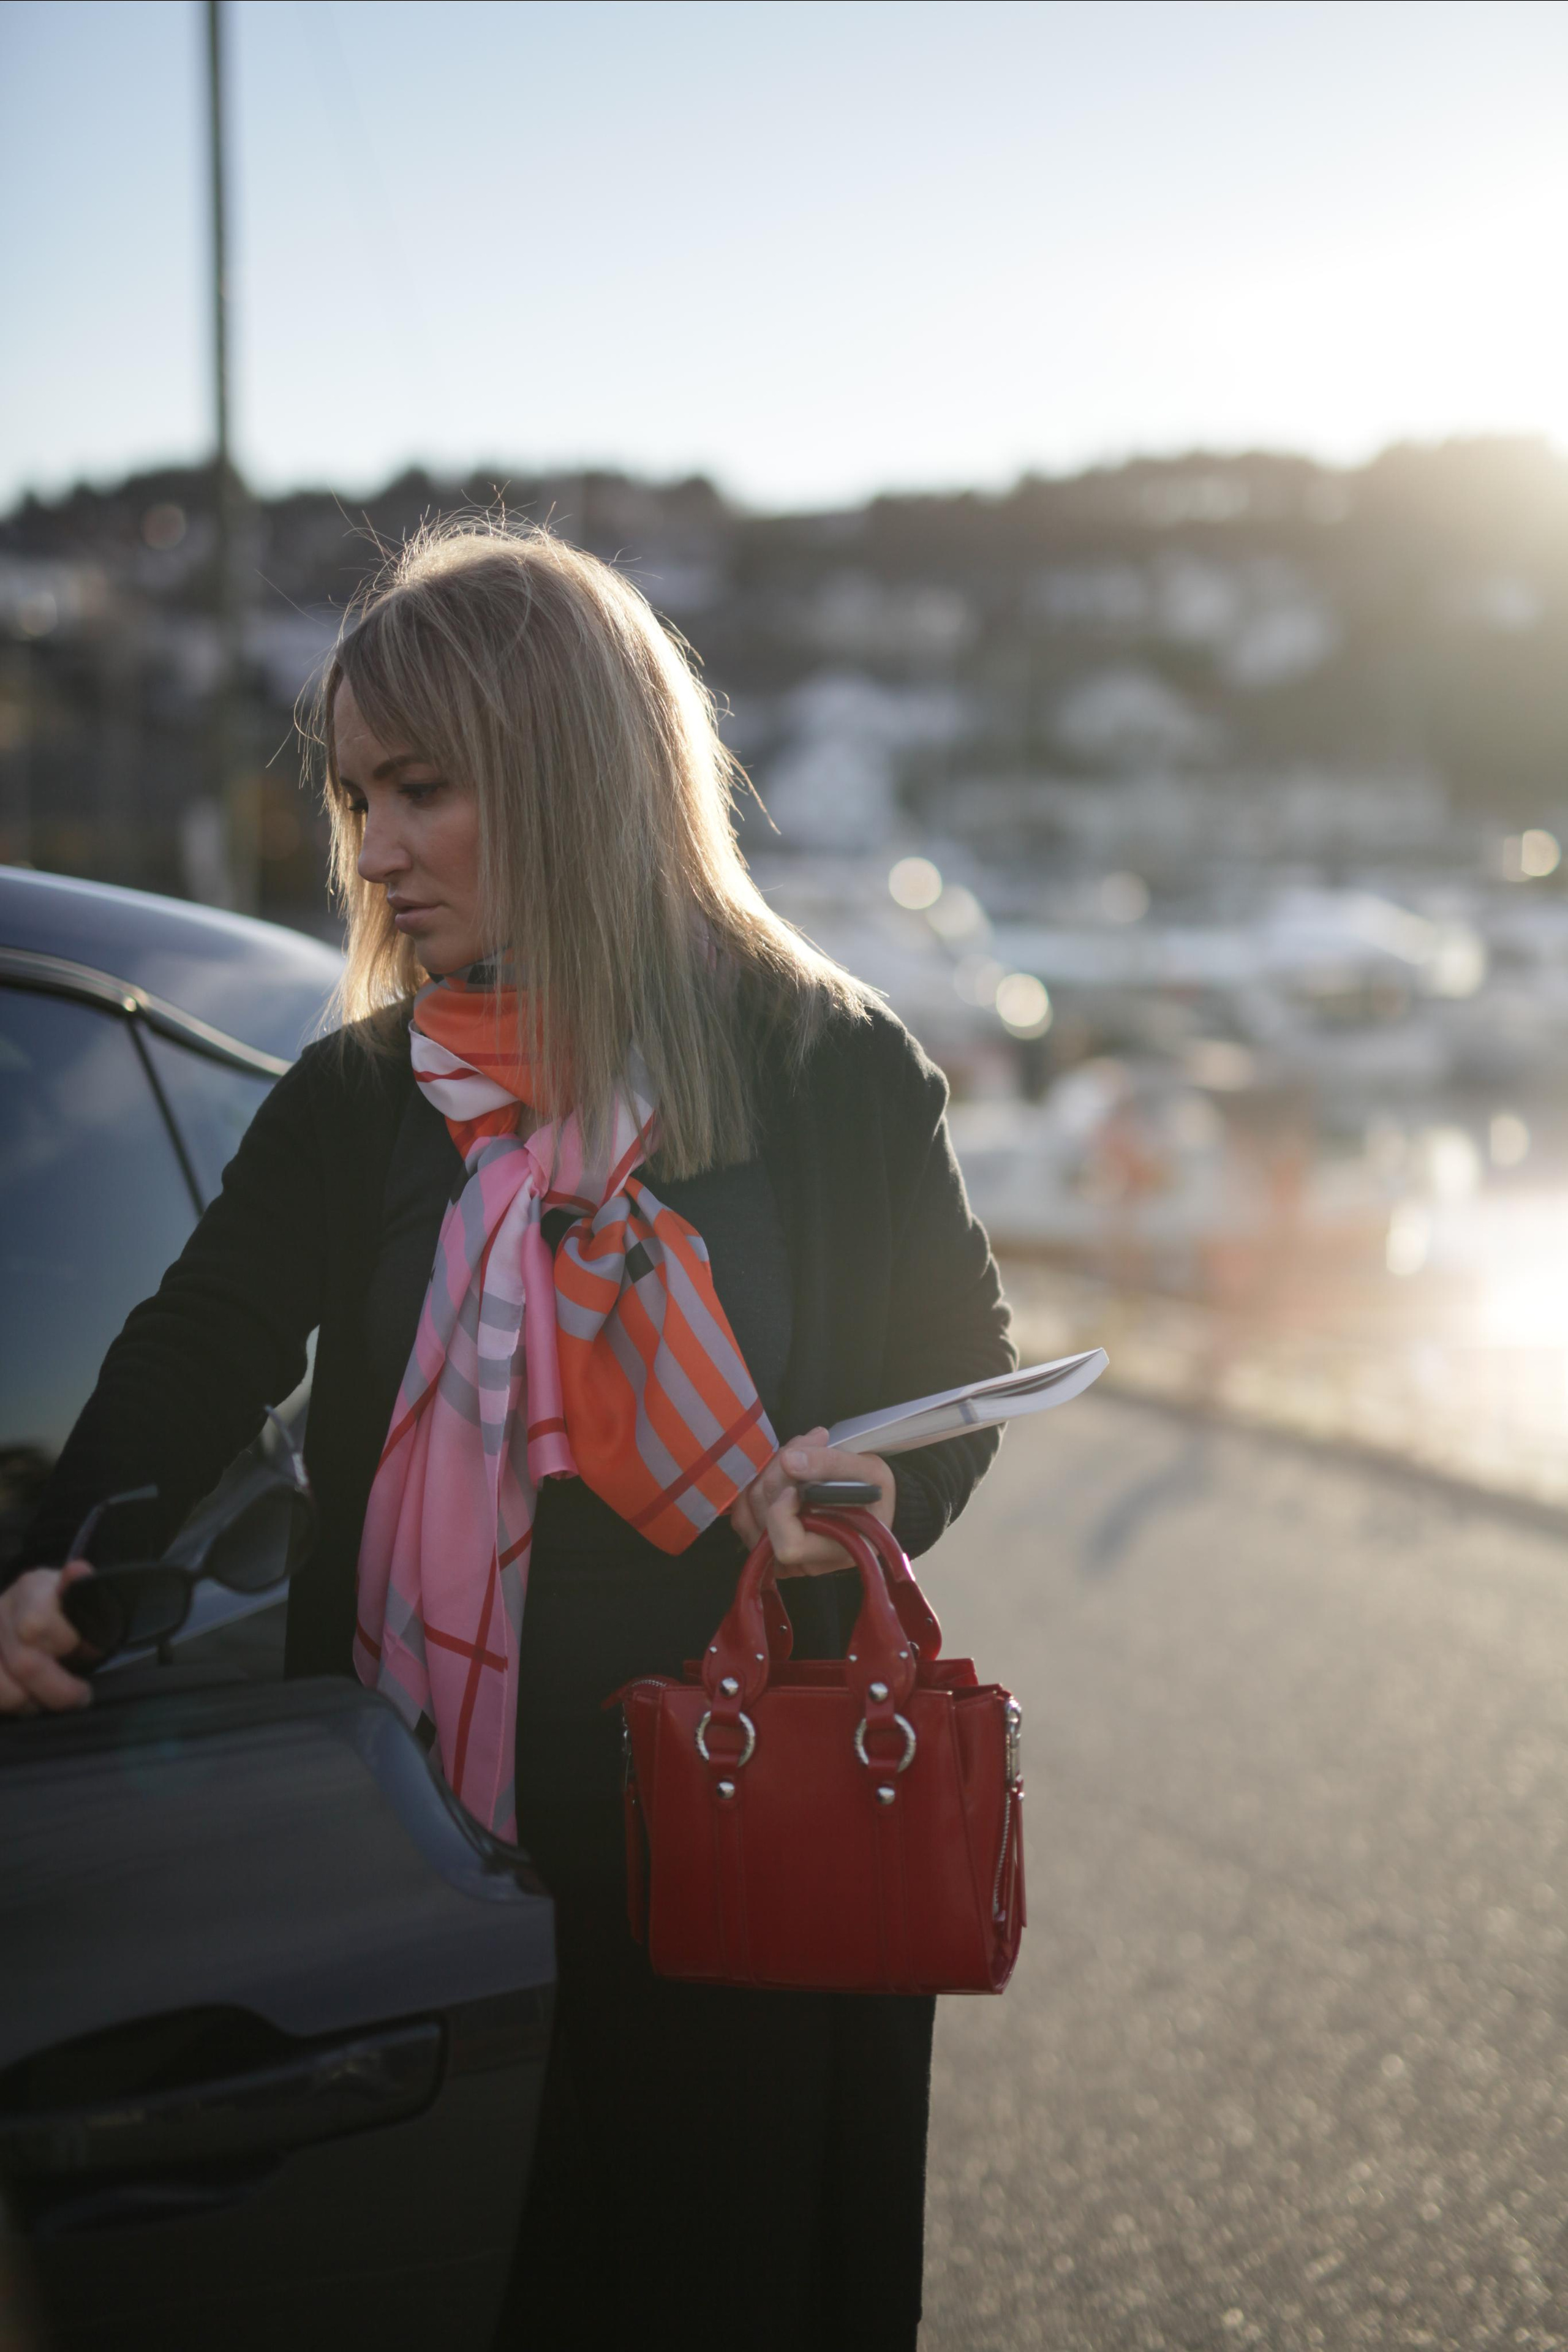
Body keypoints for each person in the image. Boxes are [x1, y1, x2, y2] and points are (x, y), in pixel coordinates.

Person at [1, 522, 1014, 2350]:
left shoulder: (824, 1064)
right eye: (356, 797)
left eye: (422, 792)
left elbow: (956, 1369)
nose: (373, 852)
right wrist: (48, 1565)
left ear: (565, 775)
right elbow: (185, 1361)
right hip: (421, 1877)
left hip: (744, 1859)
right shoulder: (359, 1097)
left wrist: (870, 1489)